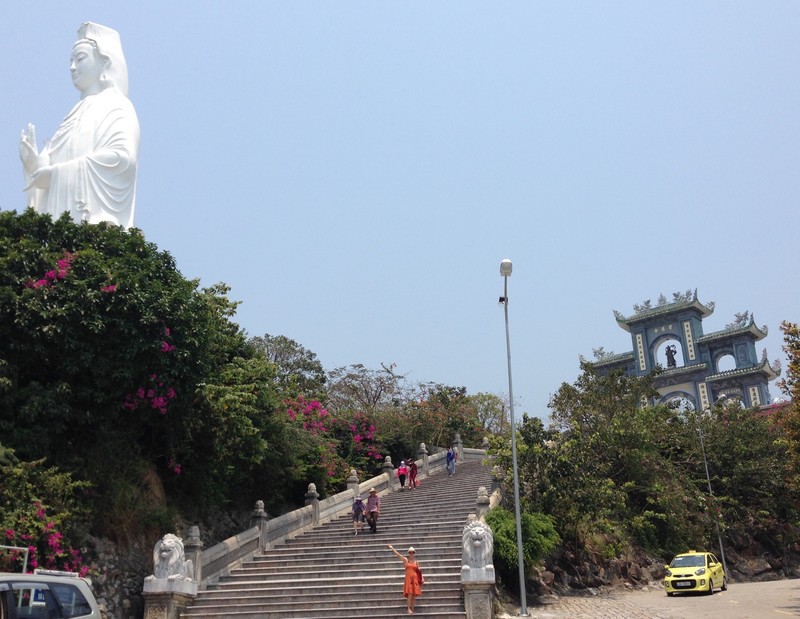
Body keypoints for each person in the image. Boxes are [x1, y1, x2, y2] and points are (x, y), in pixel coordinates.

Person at [20, 22, 140, 230]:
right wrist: (34, 166)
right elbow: (49, 174)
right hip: (61, 227)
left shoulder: (116, 105)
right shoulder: (71, 116)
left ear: (103, 62)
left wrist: (56, 174)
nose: (72, 67)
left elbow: (122, 159)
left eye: (80, 58)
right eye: (71, 61)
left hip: (91, 224)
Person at [387, 544, 423, 615]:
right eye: (410, 552)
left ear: (414, 553)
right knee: (409, 594)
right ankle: (408, 609)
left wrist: (422, 578)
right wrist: (392, 548)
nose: (411, 553)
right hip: (409, 579)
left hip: (415, 579)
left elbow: (419, 571)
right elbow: (398, 555)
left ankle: (412, 609)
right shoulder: (406, 560)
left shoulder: (416, 562)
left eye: (412, 552)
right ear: (408, 553)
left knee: (414, 595)